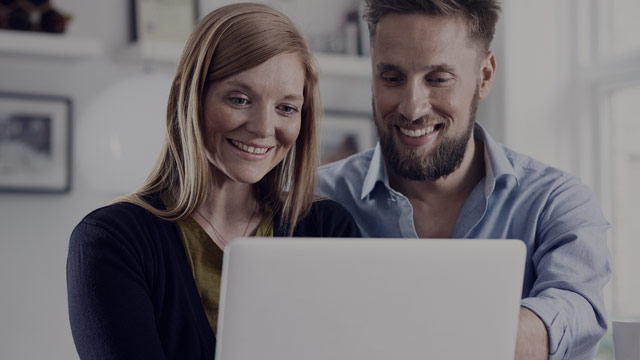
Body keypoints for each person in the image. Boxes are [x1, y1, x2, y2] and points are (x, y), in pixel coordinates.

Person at [317, 1, 610, 359]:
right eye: (391, 78)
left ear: (484, 76)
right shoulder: (316, 196)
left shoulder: (556, 201)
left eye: (438, 79)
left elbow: (573, 313)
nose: (412, 107)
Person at [67, 3, 360, 359]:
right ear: (185, 99)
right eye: (239, 99)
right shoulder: (114, 240)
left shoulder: (327, 229)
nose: (264, 128)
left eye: (286, 108)